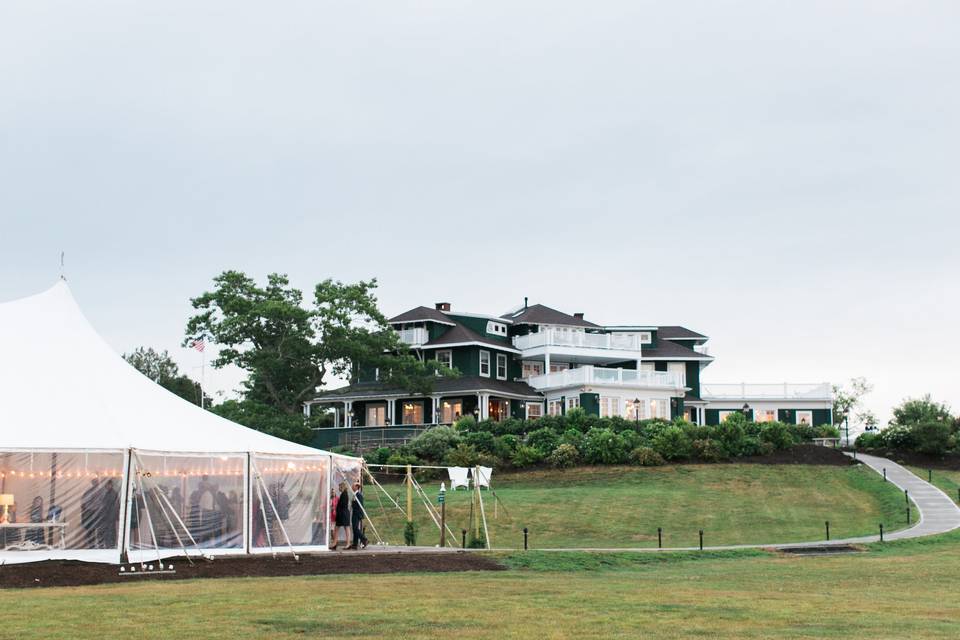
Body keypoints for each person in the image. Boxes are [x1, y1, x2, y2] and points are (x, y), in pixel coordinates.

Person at [80, 478, 101, 548]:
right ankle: (91, 544)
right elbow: (84, 503)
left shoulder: (99, 491)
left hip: (95, 512)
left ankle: (93, 543)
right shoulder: (89, 492)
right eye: (96, 482)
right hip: (90, 512)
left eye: (97, 483)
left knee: (94, 529)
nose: (97, 484)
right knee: (90, 529)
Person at [100, 480, 120, 549]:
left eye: (108, 485)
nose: (106, 486)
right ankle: (109, 544)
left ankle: (110, 544)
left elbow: (110, 504)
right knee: (109, 529)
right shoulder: (108, 493)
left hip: (110, 514)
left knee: (110, 529)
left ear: (111, 485)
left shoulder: (112, 493)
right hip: (109, 514)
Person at [348, 482, 368, 550]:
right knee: (355, 528)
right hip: (355, 513)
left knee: (355, 528)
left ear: (356, 487)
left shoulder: (358, 495)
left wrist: (360, 515)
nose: (352, 487)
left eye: (353, 486)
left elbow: (360, 506)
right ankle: (355, 544)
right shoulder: (355, 494)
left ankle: (364, 539)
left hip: (357, 514)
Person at [333, 482, 351, 550]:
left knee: (346, 528)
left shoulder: (344, 494)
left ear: (342, 487)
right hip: (343, 513)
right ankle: (335, 543)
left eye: (339, 487)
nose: (338, 488)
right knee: (338, 528)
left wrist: (337, 510)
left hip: (343, 514)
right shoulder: (344, 494)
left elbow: (342, 505)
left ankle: (347, 544)